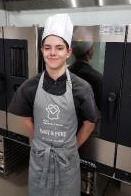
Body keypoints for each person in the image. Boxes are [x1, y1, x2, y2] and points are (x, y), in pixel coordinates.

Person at [9, 14, 99, 196]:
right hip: (40, 157)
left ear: (68, 52)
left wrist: (72, 146)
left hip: (67, 160)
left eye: (59, 48)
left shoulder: (81, 88)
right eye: (47, 47)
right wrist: (38, 141)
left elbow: (90, 123)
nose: (52, 53)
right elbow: (25, 118)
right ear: (41, 50)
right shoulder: (30, 86)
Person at [69, 31, 102, 111]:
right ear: (90, 51)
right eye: (92, 47)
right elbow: (98, 109)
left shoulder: (66, 72)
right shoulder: (96, 77)